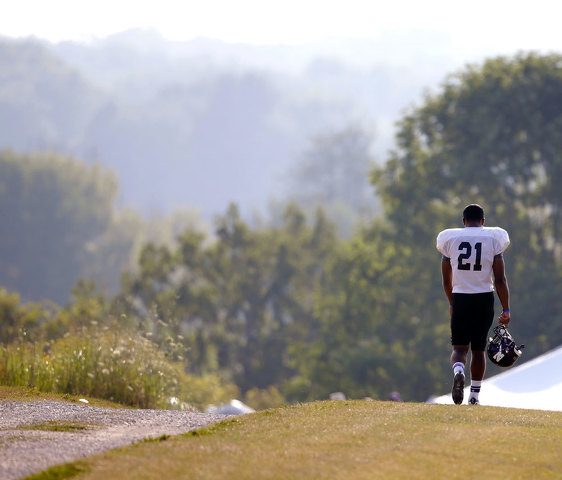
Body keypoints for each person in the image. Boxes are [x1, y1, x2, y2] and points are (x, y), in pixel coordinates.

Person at [436, 204, 511, 405]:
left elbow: (446, 281)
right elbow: (500, 279)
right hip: (484, 298)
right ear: (483, 222)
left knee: (459, 349)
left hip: (460, 297)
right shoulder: (493, 238)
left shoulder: (450, 239)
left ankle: (458, 371)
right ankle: (474, 396)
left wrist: (452, 302)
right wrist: (506, 309)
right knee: (478, 349)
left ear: (463, 221)